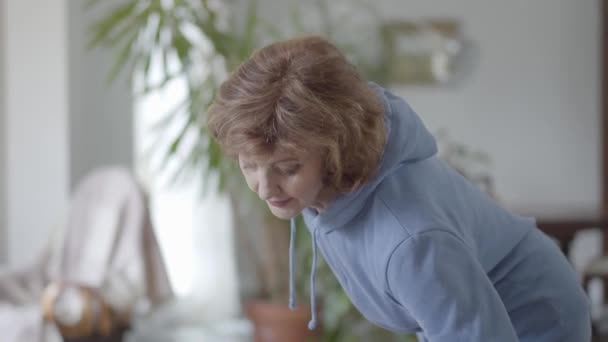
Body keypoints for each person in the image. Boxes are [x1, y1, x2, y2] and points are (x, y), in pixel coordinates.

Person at [206, 35, 591, 341]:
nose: (265, 186)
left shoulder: (411, 239)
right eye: (248, 165)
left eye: (287, 168)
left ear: (335, 148)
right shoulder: (324, 184)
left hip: (532, 314)